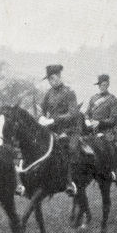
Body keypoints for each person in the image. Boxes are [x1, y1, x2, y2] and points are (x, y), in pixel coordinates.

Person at [38, 64, 81, 195]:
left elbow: (73, 113)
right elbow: (41, 109)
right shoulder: (48, 94)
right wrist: (41, 118)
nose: (51, 81)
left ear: (59, 76)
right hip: (53, 130)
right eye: (49, 79)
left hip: (69, 130)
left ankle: (71, 182)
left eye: (53, 78)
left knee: (71, 149)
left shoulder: (69, 92)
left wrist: (54, 119)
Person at [85, 74, 117, 153]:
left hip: (106, 131)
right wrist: (87, 121)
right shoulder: (93, 98)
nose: (102, 87)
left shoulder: (112, 99)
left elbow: (113, 119)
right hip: (92, 130)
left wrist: (99, 123)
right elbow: (87, 113)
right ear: (98, 86)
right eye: (101, 85)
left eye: (104, 85)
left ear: (108, 85)